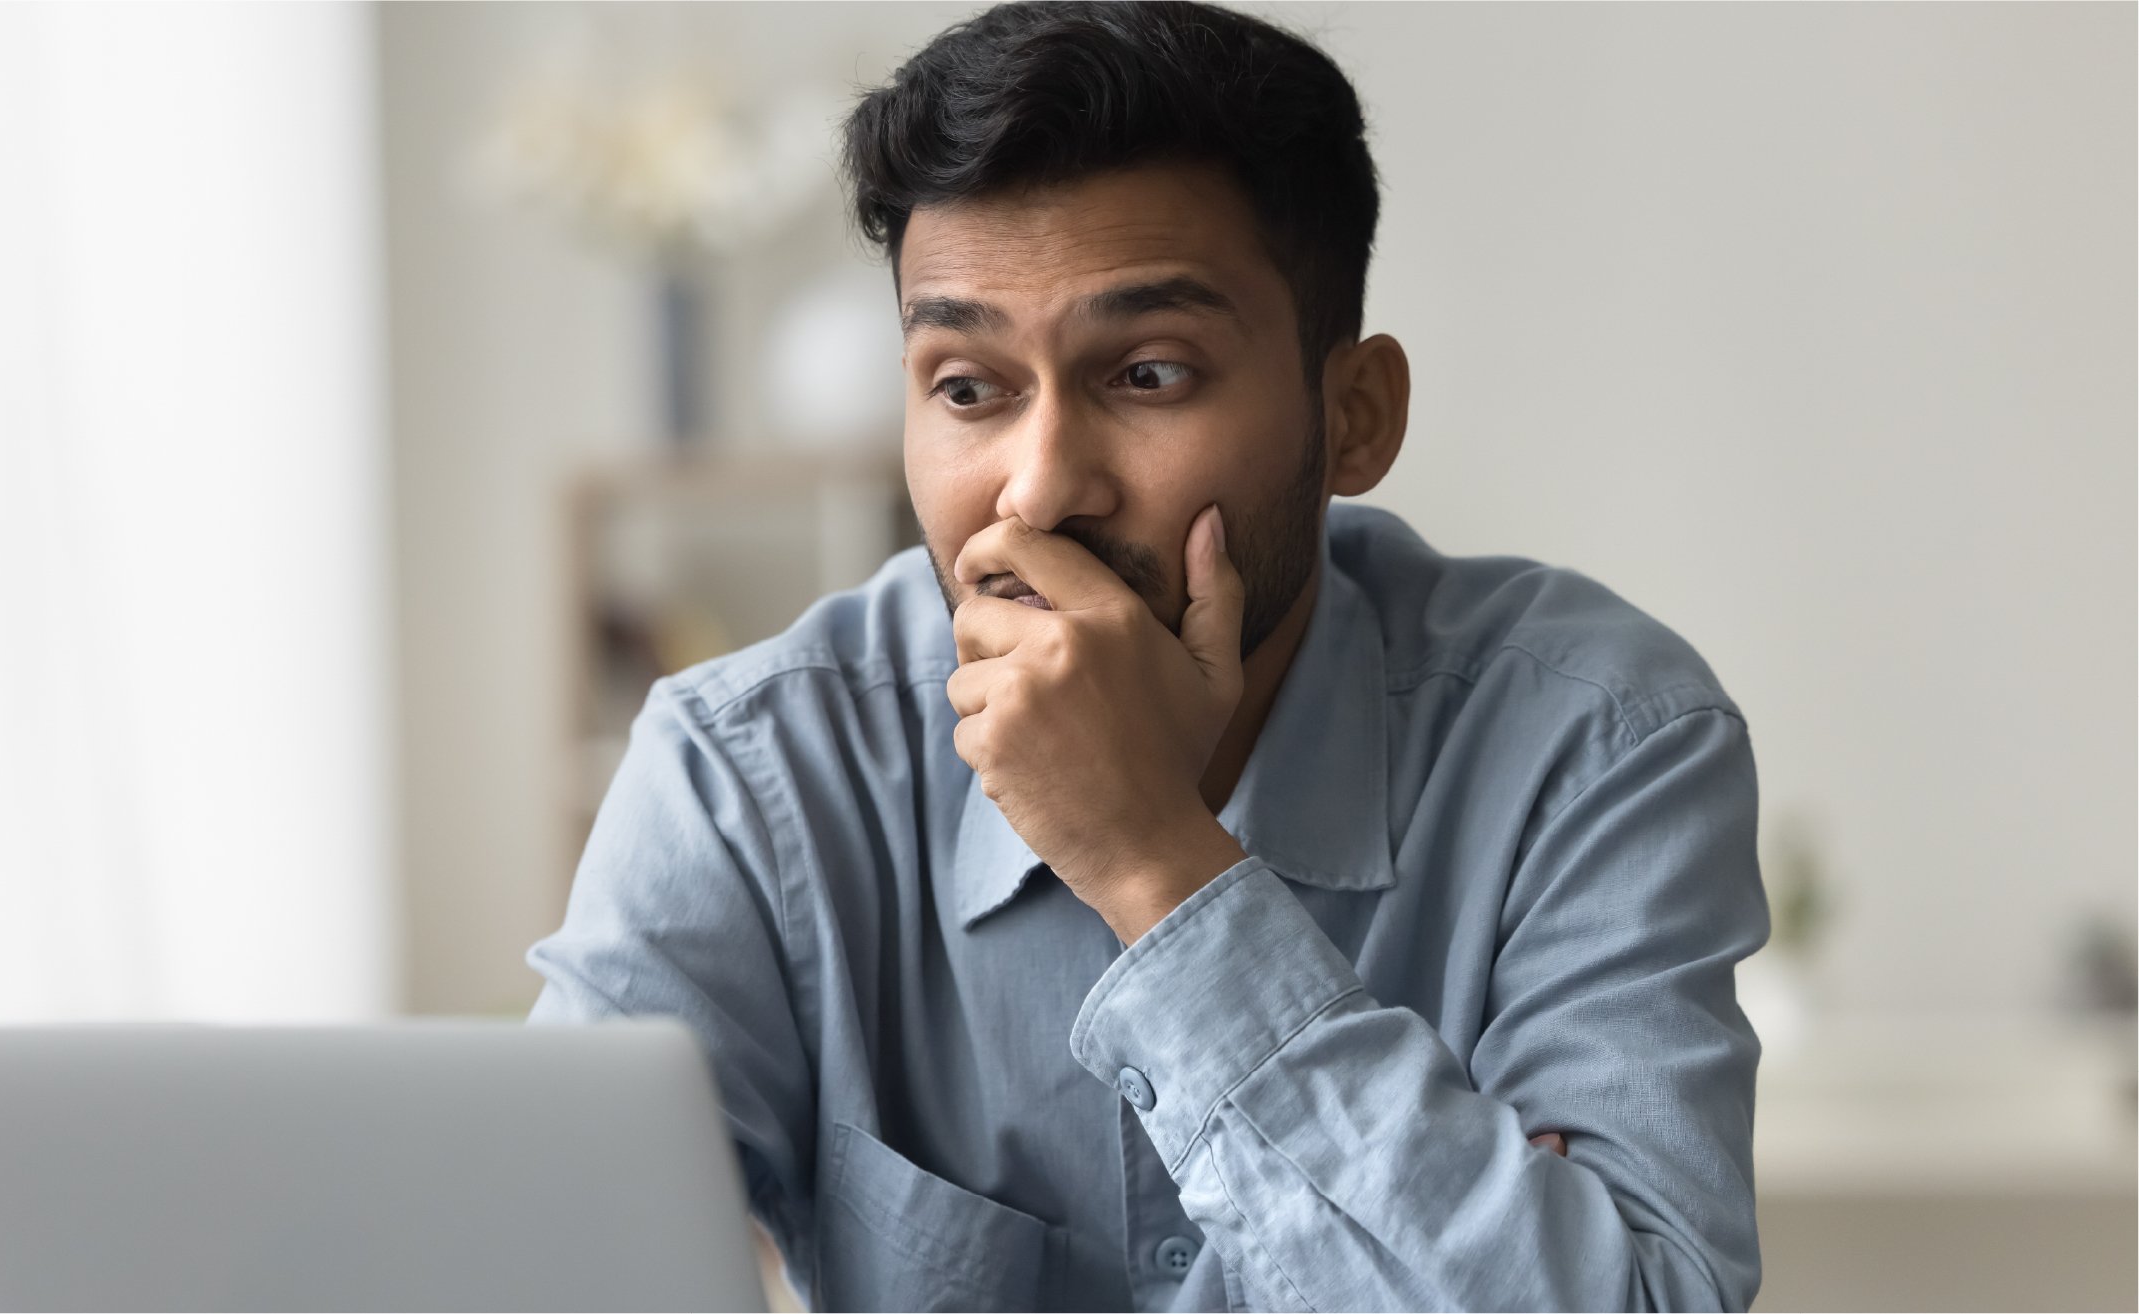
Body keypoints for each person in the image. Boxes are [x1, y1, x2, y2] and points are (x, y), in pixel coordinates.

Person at [528, 2, 1767, 1309]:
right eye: (965, 387)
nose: (1042, 488)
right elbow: (532, 1266)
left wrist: (1152, 863)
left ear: (1352, 418)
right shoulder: (751, 778)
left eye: (1150, 374)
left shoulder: (1598, 745)